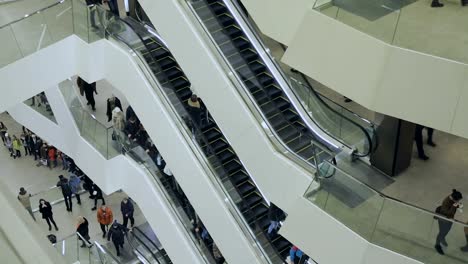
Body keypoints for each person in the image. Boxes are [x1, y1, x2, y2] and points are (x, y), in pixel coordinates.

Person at [435, 189, 463, 255]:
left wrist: (458, 206)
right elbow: (449, 213)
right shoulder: (446, 202)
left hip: (448, 220)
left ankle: (442, 239)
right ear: (454, 198)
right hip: (444, 220)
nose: (458, 201)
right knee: (442, 232)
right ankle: (437, 245)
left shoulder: (451, 199)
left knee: (445, 231)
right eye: (458, 200)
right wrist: (454, 206)